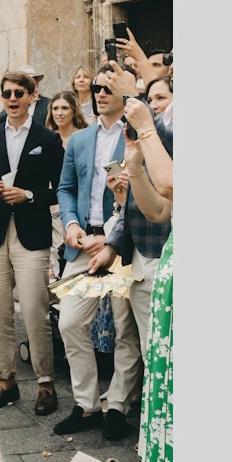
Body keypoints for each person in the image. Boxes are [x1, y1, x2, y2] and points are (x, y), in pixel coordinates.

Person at [0, 70, 64, 415]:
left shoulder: (47, 140)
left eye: (18, 93)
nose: (12, 99)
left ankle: (45, 383)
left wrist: (28, 195)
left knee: (35, 309)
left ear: (31, 95)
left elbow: (59, 189)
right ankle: (5, 381)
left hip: (31, 233)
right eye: (7, 93)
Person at [53, 66, 142, 439]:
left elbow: (144, 192)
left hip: (123, 244)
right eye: (96, 89)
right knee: (70, 322)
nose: (100, 93)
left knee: (125, 328)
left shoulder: (137, 136)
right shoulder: (79, 139)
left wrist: (109, 239)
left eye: (108, 87)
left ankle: (118, 405)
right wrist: (71, 224)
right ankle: (87, 404)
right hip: (82, 244)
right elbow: (66, 188)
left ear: (123, 91)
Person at [86, 63, 173, 363]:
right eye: (152, 98)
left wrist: (134, 100)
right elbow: (157, 210)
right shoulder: (144, 137)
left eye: (162, 98)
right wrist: (133, 168)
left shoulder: (162, 134)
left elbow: (168, 187)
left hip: (164, 252)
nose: (155, 105)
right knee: (153, 353)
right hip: (138, 247)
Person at [113, 98, 173, 462]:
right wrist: (134, 162)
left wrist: (146, 127)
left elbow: (171, 184)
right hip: (174, 264)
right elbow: (158, 209)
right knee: (163, 370)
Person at [45, 91, 89, 279]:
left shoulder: (85, 138)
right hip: (51, 205)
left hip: (79, 203)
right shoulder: (46, 139)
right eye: (55, 108)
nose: (59, 113)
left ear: (74, 111)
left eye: (64, 108)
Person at [0, 64, 50, 131]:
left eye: (30, 82)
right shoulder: (12, 101)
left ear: (36, 84)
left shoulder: (48, 104)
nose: (27, 86)